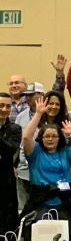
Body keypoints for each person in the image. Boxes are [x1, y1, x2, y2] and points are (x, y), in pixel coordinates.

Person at [21, 98, 71, 220]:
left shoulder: (65, 151)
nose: (50, 139)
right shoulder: (35, 151)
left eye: (54, 136)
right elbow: (26, 138)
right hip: (41, 201)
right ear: (42, 138)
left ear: (59, 138)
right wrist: (38, 114)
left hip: (64, 201)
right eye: (47, 136)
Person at [0, 93, 21, 233]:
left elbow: (10, 149)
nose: (4, 109)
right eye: (1, 105)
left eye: (8, 106)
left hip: (5, 181)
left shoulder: (15, 129)